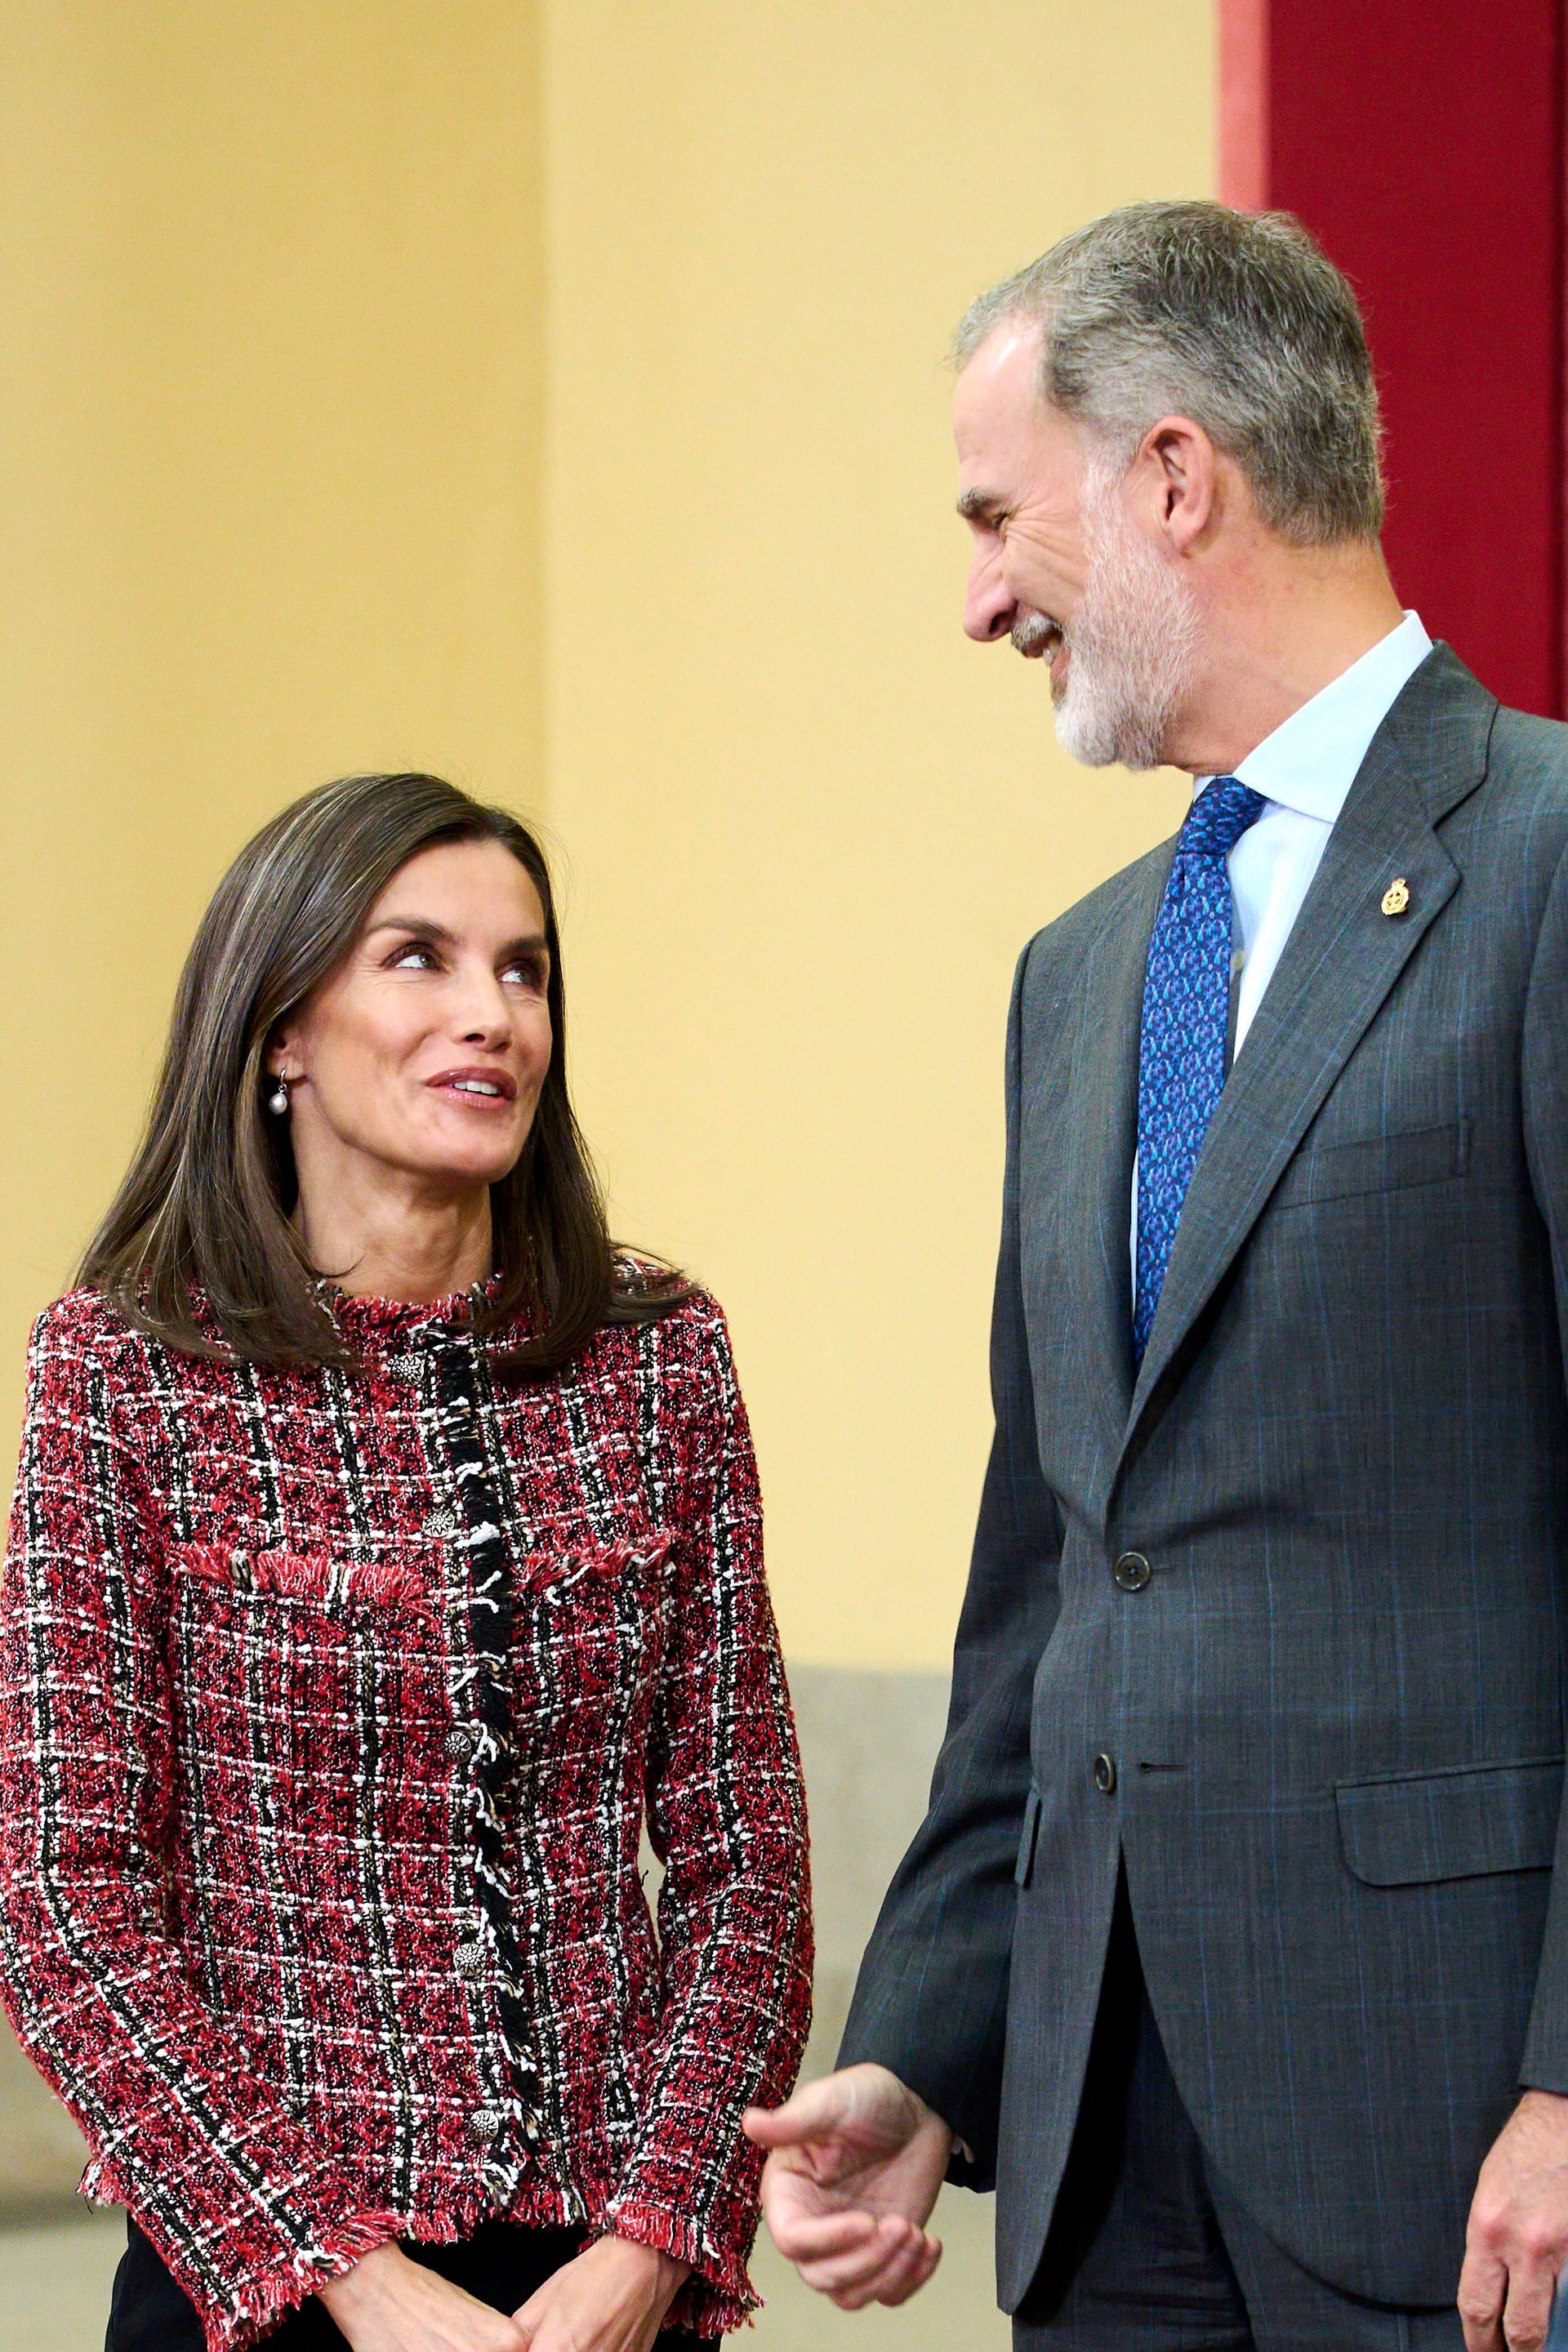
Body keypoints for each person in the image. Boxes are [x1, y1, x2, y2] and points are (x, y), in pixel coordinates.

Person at [746, 200, 1568, 2352]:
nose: (976, 597)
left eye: (999, 516)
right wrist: (928, 2045)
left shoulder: (1555, 868)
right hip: (1112, 2154)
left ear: (1175, 480)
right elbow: (1054, 1556)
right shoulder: (1081, 971)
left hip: (1466, 2143)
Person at [0, 771, 812, 2351]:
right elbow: (63, 1891)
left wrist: (655, 2241)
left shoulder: (659, 1360)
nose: (493, 1014)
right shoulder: (125, 1371)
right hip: (259, 2281)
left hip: (610, 2287)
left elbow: (745, 1861)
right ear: (282, 1030)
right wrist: (343, 2275)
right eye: (420, 958)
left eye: (526, 971)